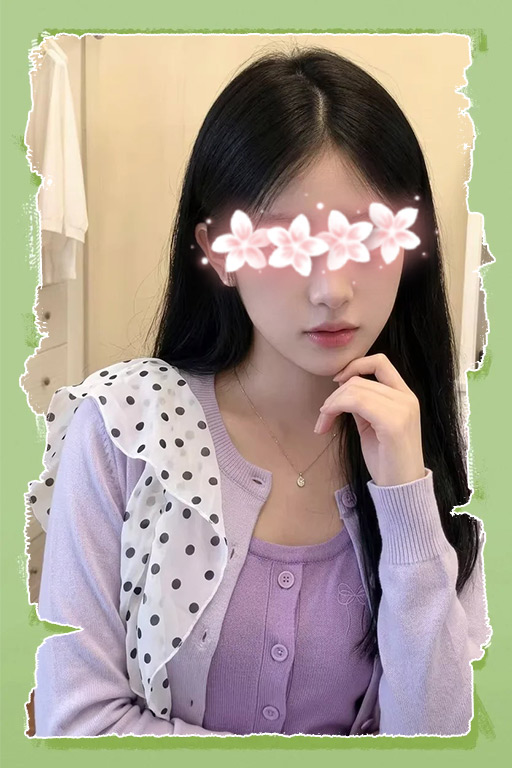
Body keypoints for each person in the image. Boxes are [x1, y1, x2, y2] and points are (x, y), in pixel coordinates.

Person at [27, 45, 491, 738]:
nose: (331, 288)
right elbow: (78, 724)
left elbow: (438, 738)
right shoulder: (121, 429)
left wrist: (406, 502)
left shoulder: (443, 452)